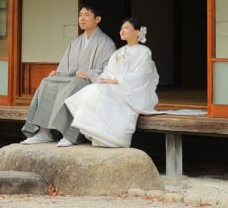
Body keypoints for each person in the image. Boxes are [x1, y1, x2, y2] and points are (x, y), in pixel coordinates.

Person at [21, 4, 116, 147]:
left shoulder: (106, 43)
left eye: (86, 15)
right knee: (48, 81)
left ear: (97, 19)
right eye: (80, 15)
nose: (82, 18)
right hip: (74, 79)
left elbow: (107, 70)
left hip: (91, 82)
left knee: (76, 83)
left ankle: (69, 135)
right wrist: (59, 73)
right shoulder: (75, 42)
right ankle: (44, 132)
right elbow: (65, 68)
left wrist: (89, 74)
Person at [64, 17, 159, 148]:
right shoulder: (119, 52)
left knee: (97, 91)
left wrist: (118, 80)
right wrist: (104, 79)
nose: (122, 31)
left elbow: (143, 74)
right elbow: (108, 71)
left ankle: (111, 137)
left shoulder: (144, 51)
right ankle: (97, 133)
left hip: (129, 89)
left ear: (137, 32)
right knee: (93, 89)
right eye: (121, 28)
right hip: (114, 85)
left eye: (126, 28)